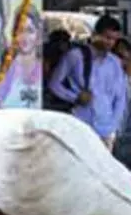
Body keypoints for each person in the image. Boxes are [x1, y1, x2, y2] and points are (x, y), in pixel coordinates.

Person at [47, 14, 126, 144]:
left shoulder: (115, 62)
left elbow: (120, 97)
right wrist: (74, 97)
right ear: (95, 34)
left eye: (114, 39)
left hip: (106, 128)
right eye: (107, 37)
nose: (110, 43)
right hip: (80, 124)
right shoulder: (75, 56)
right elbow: (54, 84)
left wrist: (114, 126)